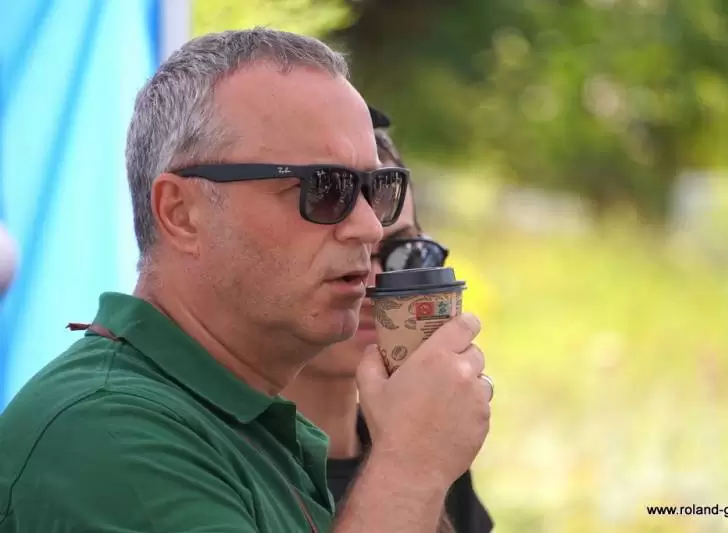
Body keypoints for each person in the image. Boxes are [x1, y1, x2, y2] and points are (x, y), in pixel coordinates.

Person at [0, 28, 493, 533]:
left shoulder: (250, 424)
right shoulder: (108, 432)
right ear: (181, 213)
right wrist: (410, 466)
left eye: (377, 188)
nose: (369, 227)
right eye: (324, 188)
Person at [283, 106, 494, 533]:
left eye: (406, 253)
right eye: (346, 246)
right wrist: (409, 467)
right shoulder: (212, 460)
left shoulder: (426, 438)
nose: (374, 280)